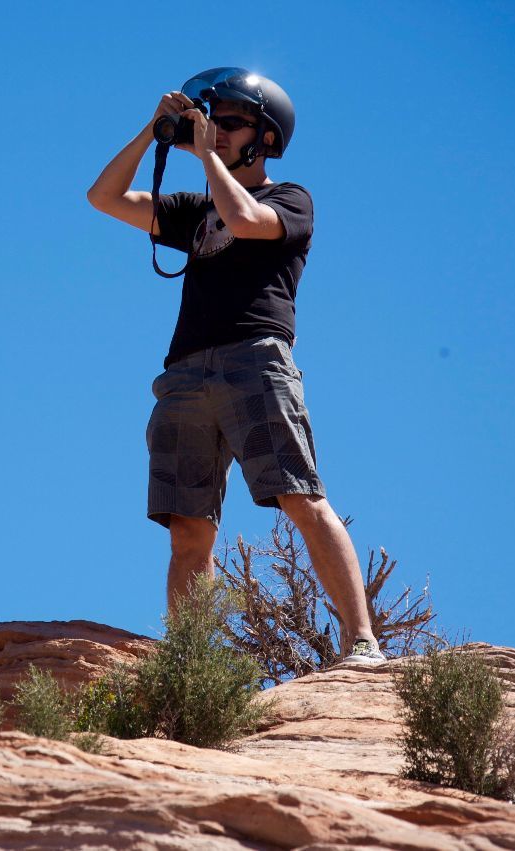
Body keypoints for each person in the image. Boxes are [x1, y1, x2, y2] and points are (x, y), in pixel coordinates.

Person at [85, 68, 384, 665]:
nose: (214, 131)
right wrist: (154, 131)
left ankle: (361, 643)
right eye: (209, 119)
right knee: (188, 530)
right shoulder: (196, 210)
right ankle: (191, 666)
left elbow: (246, 221)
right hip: (186, 373)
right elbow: (104, 197)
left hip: (256, 359)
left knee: (299, 496)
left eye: (229, 122)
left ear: (265, 138)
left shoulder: (290, 199)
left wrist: (205, 158)